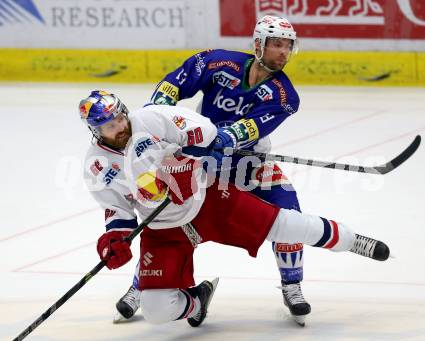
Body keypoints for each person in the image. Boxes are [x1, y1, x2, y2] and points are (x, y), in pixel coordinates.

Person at [80, 90, 390, 328]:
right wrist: (115, 239)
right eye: (109, 125)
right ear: (96, 131)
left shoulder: (152, 118)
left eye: (120, 117)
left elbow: (201, 131)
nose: (120, 126)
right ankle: (198, 302)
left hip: (209, 202)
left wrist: (197, 157)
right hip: (163, 230)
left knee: (287, 226)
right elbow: (117, 210)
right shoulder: (96, 166)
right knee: (157, 310)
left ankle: (350, 240)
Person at [117, 14, 310, 325]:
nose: (284, 53)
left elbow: (249, 127)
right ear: (258, 44)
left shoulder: (285, 97)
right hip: (200, 163)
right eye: (277, 45)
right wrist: (158, 115)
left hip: (249, 163)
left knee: (290, 208)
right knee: (164, 219)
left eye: (289, 47)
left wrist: (219, 138)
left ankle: (292, 286)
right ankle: (141, 285)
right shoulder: (218, 63)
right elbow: (173, 84)